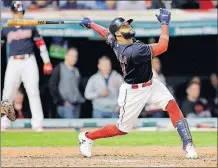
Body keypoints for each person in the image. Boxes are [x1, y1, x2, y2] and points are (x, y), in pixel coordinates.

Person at [78, 8, 198, 159]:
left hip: (151, 84)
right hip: (134, 91)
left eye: (128, 24)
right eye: (124, 27)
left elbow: (105, 33)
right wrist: (165, 23)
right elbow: (163, 46)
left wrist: (91, 24)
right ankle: (88, 137)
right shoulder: (133, 51)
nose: (128, 27)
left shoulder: (116, 41)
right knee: (121, 129)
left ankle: (188, 144)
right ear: (118, 34)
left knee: (172, 106)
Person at [1, 1, 53, 132]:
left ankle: (37, 123)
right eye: (16, 13)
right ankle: (4, 122)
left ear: (23, 13)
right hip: (13, 61)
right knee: (8, 92)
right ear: (12, 13)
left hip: (28, 61)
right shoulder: (6, 27)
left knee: (33, 92)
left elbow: (40, 43)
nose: (18, 15)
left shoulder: (31, 26)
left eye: (20, 13)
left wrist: (46, 61)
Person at [49, 48, 85, 118]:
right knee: (70, 127)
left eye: (76, 56)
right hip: (66, 106)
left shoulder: (76, 70)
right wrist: (61, 102)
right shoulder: (59, 68)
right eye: (72, 56)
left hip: (77, 104)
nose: (74, 58)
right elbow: (52, 86)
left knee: (77, 128)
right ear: (66, 56)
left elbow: (79, 86)